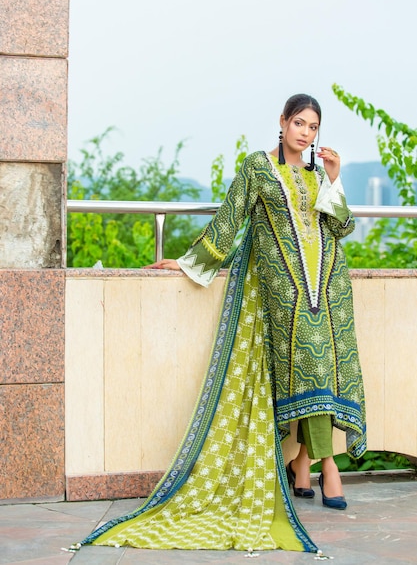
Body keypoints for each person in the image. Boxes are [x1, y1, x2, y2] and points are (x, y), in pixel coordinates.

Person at [71, 93, 366, 555]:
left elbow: (341, 228)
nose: (306, 134)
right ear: (283, 123)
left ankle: (305, 464)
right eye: (300, 124)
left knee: (321, 371)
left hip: (326, 289)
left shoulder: (315, 176)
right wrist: (188, 263)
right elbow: (229, 222)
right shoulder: (256, 168)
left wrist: (335, 179)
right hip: (280, 291)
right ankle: (330, 465)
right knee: (309, 367)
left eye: (314, 127)